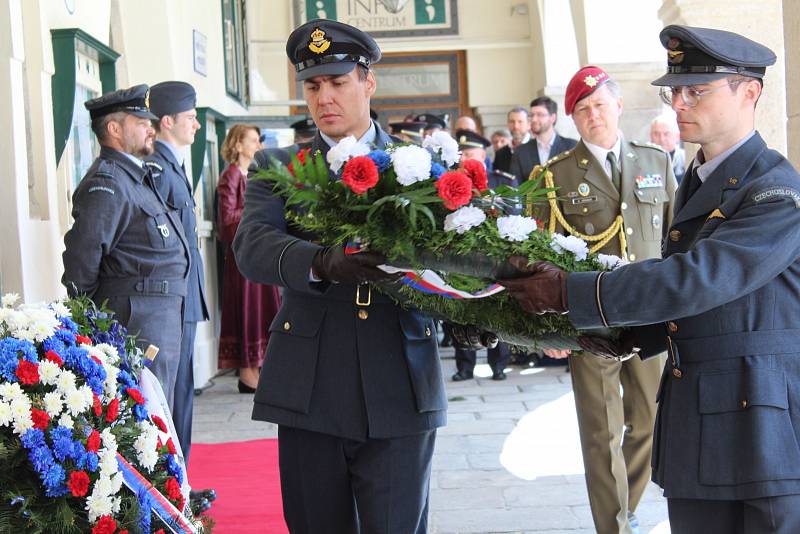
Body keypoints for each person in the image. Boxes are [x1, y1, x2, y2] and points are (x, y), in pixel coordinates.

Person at [501, 26, 798, 533]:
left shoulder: (774, 188)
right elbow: (694, 309)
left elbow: (696, 280)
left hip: (759, 432)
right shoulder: (698, 178)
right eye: (674, 91)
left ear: (749, 92)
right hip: (699, 425)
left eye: (696, 90)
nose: (680, 102)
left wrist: (568, 291)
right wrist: (624, 336)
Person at [233, 19, 447, 534]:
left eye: (338, 81)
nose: (325, 96)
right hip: (311, 386)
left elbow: (462, 257)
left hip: (399, 378)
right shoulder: (278, 166)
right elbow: (252, 247)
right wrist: (321, 261)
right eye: (313, 85)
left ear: (368, 82)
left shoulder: (421, 163)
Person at [525, 66, 676, 534]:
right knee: (600, 431)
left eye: (600, 104)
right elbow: (538, 258)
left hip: (649, 314)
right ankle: (614, 527)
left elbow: (674, 239)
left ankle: (626, 503)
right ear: (572, 118)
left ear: (619, 105)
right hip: (588, 322)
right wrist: (549, 328)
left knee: (650, 420)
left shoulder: (656, 161)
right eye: (583, 109)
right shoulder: (554, 175)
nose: (594, 115)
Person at [62, 84, 190, 413]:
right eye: (141, 121)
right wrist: (98, 321)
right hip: (136, 319)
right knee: (146, 419)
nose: (151, 127)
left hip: (157, 317)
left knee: (160, 416)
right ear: (115, 129)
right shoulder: (108, 183)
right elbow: (81, 262)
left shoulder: (133, 177)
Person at [216, 124, 282, 393]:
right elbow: (227, 219)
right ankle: (246, 372)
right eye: (253, 141)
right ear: (238, 145)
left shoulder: (253, 174)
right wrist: (256, 210)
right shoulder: (231, 176)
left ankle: (256, 368)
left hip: (259, 252)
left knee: (262, 310)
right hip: (241, 256)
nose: (258, 146)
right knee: (247, 312)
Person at [449, 129, 513, 381]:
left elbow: (513, 215)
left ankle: (499, 365)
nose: (466, 157)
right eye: (462, 152)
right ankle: (464, 367)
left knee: (498, 311)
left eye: (471, 152)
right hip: (462, 259)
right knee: (461, 313)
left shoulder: (501, 181)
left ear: (483, 154)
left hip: (494, 258)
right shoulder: (450, 181)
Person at [510, 96, 577, 182]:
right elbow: (515, 188)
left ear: (553, 118)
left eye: (539, 115)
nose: (534, 119)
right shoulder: (520, 151)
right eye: (531, 115)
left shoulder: (571, 147)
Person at [650, 112, 686, 182]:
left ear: (677, 136)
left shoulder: (686, 159)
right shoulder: (644, 160)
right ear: (650, 136)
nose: (661, 139)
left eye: (666, 134)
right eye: (656, 134)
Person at [492, 106, 531, 173]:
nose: (516, 126)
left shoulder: (536, 148)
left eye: (520, 122)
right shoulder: (500, 153)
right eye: (512, 122)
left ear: (529, 125)